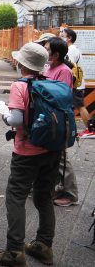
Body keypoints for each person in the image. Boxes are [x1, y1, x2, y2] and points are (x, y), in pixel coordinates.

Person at [0, 43, 60, 267]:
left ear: (22, 64)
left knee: (16, 197)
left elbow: (17, 120)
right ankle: (44, 246)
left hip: (27, 152)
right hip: (52, 150)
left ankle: (14, 252)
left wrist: (4, 116)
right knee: (44, 197)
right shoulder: (49, 83)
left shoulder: (20, 86)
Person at [43, 37, 78, 208]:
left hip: (59, 119)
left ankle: (70, 193)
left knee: (61, 157)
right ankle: (56, 187)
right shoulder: (49, 67)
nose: (44, 51)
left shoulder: (64, 71)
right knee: (52, 155)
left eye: (47, 49)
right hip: (49, 118)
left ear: (56, 54)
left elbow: (60, 96)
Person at [60, 27, 89, 126]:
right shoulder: (72, 49)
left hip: (76, 85)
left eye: (63, 35)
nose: (60, 36)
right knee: (76, 106)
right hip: (76, 84)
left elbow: (70, 66)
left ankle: (91, 129)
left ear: (69, 38)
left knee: (80, 106)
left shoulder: (71, 50)